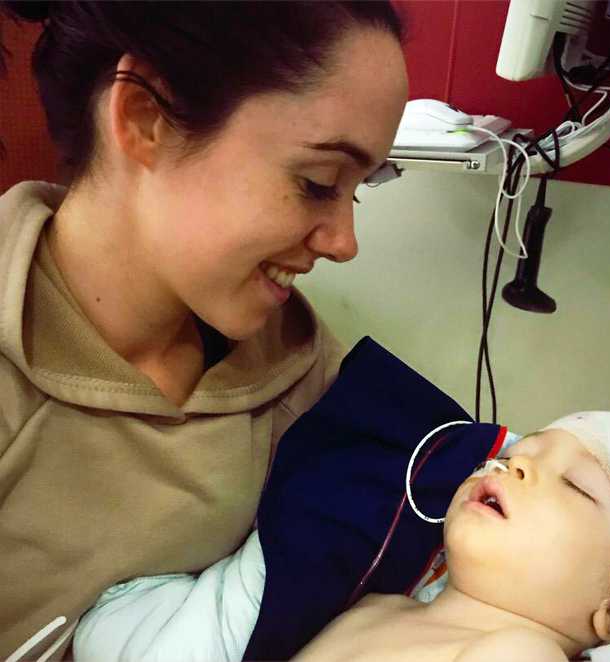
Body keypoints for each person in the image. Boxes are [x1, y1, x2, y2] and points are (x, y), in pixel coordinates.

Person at [0, 2, 409, 659]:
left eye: (356, 190)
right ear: (145, 118)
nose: (344, 241)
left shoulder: (302, 376)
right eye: (317, 182)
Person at [70, 409, 610, 662]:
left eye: (578, 487)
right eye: (524, 450)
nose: (516, 464)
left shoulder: (517, 651)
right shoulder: (377, 604)